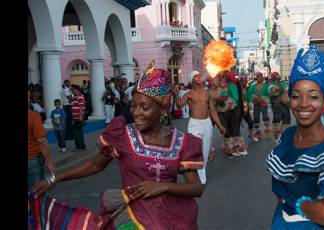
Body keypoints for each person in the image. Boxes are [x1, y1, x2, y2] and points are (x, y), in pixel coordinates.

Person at [32, 68, 204, 229]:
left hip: (170, 219)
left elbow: (196, 188)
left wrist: (163, 186)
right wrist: (53, 179)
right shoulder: (122, 134)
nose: (136, 112)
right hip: (131, 218)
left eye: (144, 107)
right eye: (133, 105)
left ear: (162, 111)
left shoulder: (182, 142)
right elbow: (95, 165)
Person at [265, 45, 324, 229]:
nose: (304, 104)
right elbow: (280, 191)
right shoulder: (286, 136)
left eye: (313, 97)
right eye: (296, 96)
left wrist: (300, 204)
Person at [174, 70, 226, 184]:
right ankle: (201, 179)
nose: (199, 77)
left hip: (207, 123)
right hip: (195, 124)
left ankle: (201, 172)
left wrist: (220, 126)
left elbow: (212, 111)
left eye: (199, 75)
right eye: (196, 76)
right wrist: (176, 94)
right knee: (195, 150)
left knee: (205, 151)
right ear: (192, 80)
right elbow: (179, 105)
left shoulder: (207, 93)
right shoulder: (189, 94)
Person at [28, 90, 55, 191]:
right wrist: (49, 163)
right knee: (36, 194)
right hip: (31, 160)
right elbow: (42, 141)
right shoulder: (33, 116)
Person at [267, 72, 291, 139]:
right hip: (276, 104)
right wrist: (278, 88)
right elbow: (271, 91)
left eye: (278, 76)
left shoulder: (282, 83)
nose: (277, 77)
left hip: (284, 103)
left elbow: (287, 89)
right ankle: (276, 132)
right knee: (277, 117)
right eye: (276, 76)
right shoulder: (270, 84)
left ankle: (284, 131)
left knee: (286, 116)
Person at [247, 72, 271, 139]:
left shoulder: (266, 85)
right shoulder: (253, 86)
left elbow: (269, 93)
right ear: (256, 78)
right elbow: (248, 94)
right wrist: (253, 98)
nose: (259, 78)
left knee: (265, 117)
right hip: (256, 104)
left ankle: (268, 130)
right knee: (256, 118)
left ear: (262, 78)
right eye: (258, 77)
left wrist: (265, 99)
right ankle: (258, 132)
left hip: (264, 104)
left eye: (260, 77)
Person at [240, 75, 258, 142]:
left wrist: (249, 102)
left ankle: (251, 134)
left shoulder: (248, 88)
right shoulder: (237, 87)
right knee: (235, 125)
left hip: (245, 107)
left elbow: (249, 97)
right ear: (240, 81)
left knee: (250, 122)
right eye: (243, 80)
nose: (244, 82)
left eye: (245, 80)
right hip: (237, 108)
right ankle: (235, 139)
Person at [71, 84, 86, 151]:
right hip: (75, 117)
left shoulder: (80, 97)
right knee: (78, 132)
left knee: (78, 133)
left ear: (76, 89)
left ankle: (79, 147)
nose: (72, 91)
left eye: (72, 89)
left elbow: (81, 107)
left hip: (78, 117)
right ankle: (81, 146)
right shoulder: (77, 96)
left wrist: (80, 117)